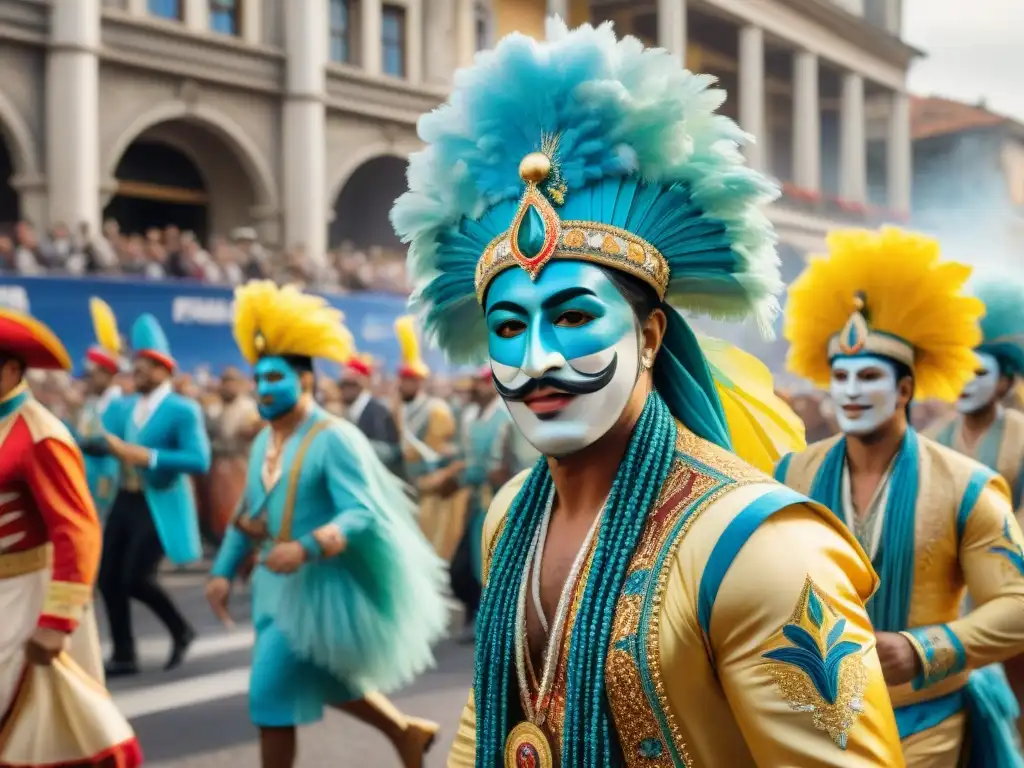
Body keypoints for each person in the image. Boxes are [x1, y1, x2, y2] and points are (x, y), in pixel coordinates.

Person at [392, 18, 902, 766]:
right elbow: (491, 721)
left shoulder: (763, 550)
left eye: (571, 317)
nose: (535, 358)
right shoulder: (509, 515)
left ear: (652, 336)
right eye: (507, 327)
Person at [775, 227, 1024, 766]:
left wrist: (923, 649)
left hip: (925, 720)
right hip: (811, 723)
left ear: (905, 389)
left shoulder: (966, 485)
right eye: (840, 376)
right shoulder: (790, 474)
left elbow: (1017, 606)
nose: (851, 391)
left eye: (869, 375)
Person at [206, 280, 448, 768]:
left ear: (307, 382)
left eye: (275, 379)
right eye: (259, 381)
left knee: (268, 699)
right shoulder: (261, 444)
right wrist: (223, 570)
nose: (264, 390)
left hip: (319, 589)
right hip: (272, 590)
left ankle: (402, 733)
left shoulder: (335, 438)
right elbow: (247, 516)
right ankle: (405, 733)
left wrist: (307, 547)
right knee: (324, 677)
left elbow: (362, 511)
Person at [0, 308, 141, 767]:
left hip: (25, 598)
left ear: (11, 370)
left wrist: (56, 620)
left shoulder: (40, 434)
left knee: (33, 726)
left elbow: (77, 529)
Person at [925, 279, 1024, 744]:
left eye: (980, 374)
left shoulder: (1021, 433)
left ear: (1005, 381)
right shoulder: (936, 438)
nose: (967, 384)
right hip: (951, 581)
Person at [99, 313, 211, 676]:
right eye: (135, 366)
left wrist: (147, 456)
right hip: (126, 499)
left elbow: (199, 459)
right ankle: (124, 653)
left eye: (144, 367)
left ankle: (181, 630)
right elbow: (103, 436)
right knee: (107, 577)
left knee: (136, 577)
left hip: (159, 500)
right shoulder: (126, 406)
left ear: (163, 369)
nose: (137, 372)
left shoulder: (182, 409)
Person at [450, 367, 512, 644]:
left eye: (478, 383)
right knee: (469, 564)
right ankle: (478, 616)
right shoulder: (470, 416)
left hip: (500, 498)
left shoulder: (505, 416)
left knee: (493, 561)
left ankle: (493, 621)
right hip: (476, 500)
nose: (473, 388)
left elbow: (506, 463)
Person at [393, 315, 462, 558]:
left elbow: (449, 454)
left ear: (417, 382)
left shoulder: (436, 410)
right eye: (401, 380)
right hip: (407, 490)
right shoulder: (400, 409)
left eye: (406, 380)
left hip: (432, 496)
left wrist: (438, 478)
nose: (401, 385)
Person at [69, 298, 124, 524]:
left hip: (107, 477)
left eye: (96, 374)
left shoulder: (120, 404)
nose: (91, 379)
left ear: (109, 374)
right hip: (85, 475)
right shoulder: (91, 403)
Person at [339, 354, 403, 477]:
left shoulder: (378, 411)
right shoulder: (347, 413)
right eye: (343, 385)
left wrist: (351, 447)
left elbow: (390, 452)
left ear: (363, 382)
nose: (345, 389)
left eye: (351, 384)